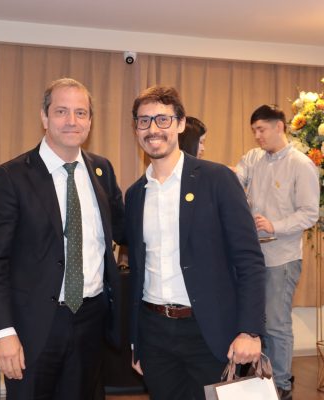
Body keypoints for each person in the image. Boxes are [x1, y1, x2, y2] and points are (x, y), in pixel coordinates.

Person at [0, 77, 125, 400]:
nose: (72, 121)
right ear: (44, 117)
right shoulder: (10, 177)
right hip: (32, 327)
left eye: (80, 113)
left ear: (90, 121)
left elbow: (124, 230)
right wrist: (2, 331)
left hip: (91, 322)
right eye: (61, 111)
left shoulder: (102, 170)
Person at [125, 85, 266, 400]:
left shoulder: (217, 180)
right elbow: (137, 272)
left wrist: (250, 330)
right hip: (154, 335)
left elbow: (249, 260)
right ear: (136, 129)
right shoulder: (135, 195)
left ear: (180, 123)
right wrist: (136, 341)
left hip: (210, 332)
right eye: (144, 121)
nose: (153, 129)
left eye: (162, 119)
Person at [235, 104, 319, 400]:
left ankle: (281, 384)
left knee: (276, 323)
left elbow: (310, 213)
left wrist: (275, 225)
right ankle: (262, 380)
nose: (257, 136)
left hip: (282, 257)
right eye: (254, 131)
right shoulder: (253, 158)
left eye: (261, 129)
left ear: (279, 126)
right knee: (256, 322)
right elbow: (234, 179)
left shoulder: (301, 164)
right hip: (253, 257)